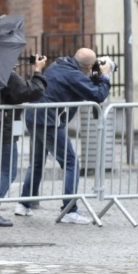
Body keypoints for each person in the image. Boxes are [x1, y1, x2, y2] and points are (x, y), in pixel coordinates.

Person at [17, 48, 111, 224]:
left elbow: (82, 84)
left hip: (34, 116)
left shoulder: (60, 64)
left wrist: (95, 77)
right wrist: (104, 77)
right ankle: (70, 209)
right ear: (88, 66)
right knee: (71, 162)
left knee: (37, 162)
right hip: (50, 121)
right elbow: (97, 94)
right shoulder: (74, 75)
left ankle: (24, 204)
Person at [0, 59, 47, 227]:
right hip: (4, 128)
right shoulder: (4, 72)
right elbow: (32, 92)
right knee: (8, 171)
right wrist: (37, 71)